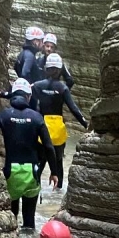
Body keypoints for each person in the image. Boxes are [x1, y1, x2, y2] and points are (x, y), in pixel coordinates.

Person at [0, 78, 58, 231]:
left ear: (13, 95)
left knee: (12, 220)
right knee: (29, 223)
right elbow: (49, 147)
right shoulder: (37, 117)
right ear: (29, 97)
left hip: (11, 173)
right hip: (32, 173)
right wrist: (54, 172)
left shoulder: (4, 115)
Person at [31, 54, 86, 190]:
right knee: (59, 161)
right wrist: (86, 124)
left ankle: (32, 190)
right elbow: (74, 109)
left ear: (46, 69)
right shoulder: (63, 88)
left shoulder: (37, 86)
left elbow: (32, 108)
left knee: (40, 160)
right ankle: (58, 190)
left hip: (42, 127)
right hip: (58, 129)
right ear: (60, 70)